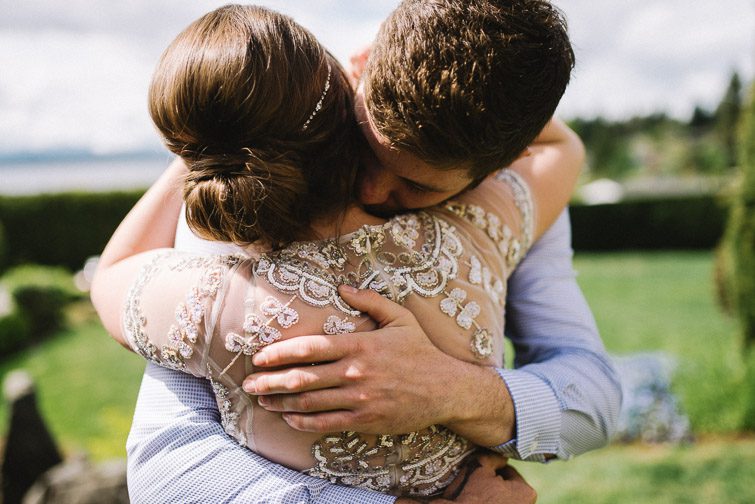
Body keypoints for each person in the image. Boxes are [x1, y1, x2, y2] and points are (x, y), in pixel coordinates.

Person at [119, 1, 621, 501]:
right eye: (365, 143)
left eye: (414, 184)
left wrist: (455, 391)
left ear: (500, 166)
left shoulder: (224, 297)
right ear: (359, 67)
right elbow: (171, 460)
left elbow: (592, 398)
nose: (374, 190)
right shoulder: (256, 183)